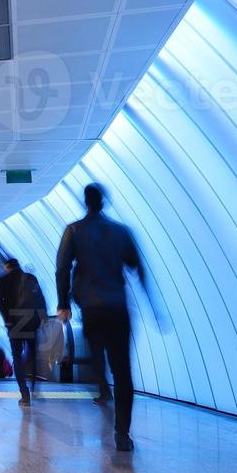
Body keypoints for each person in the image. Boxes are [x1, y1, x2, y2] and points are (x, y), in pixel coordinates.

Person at [55, 183, 160, 451]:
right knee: (123, 369)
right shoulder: (121, 232)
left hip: (91, 307)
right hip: (117, 306)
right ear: (104, 202)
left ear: (85, 202)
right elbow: (139, 268)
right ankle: (122, 433)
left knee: (96, 352)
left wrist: (63, 303)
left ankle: (102, 388)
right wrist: (153, 305)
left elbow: (62, 269)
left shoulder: (74, 230)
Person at [0, 258, 43, 406]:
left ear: (7, 266)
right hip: (31, 321)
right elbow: (40, 300)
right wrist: (41, 319)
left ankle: (24, 393)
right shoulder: (30, 278)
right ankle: (35, 386)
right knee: (33, 354)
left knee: (16, 356)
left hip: (14, 322)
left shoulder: (3, 280)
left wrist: (7, 320)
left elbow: (0, 303)